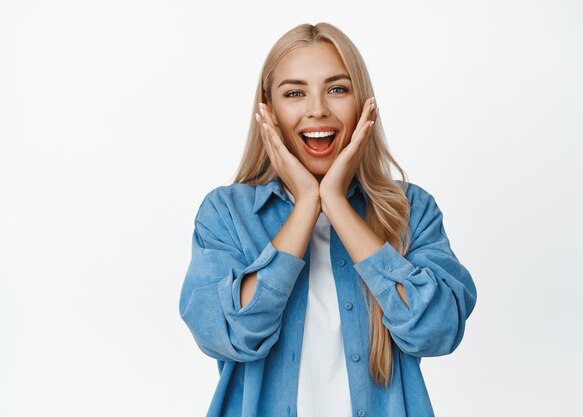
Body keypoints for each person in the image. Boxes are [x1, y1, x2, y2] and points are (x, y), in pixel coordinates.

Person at [179, 22, 478, 417]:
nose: (317, 109)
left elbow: (437, 329)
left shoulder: (411, 209)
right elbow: (226, 333)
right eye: (295, 93)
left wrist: (334, 201)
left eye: (337, 89)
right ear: (268, 110)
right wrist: (306, 204)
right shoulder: (226, 214)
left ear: (364, 104)